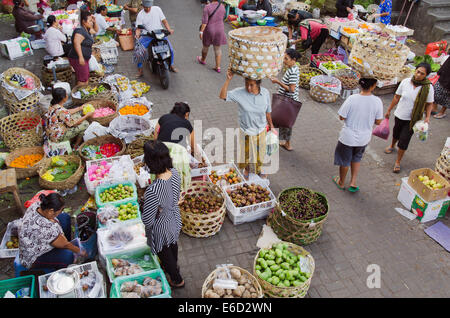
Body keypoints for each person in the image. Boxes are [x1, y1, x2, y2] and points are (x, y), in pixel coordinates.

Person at [142, 140, 184, 288]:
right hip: (175, 219)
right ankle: (174, 266)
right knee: (172, 245)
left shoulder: (153, 190)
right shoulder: (175, 173)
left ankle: (177, 279)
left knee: (165, 254)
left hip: (162, 227)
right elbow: (175, 195)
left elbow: (147, 220)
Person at [220, 69, 275, 179]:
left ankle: (260, 170)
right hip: (246, 131)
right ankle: (246, 169)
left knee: (260, 154)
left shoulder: (265, 93)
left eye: (252, 85)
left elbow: (268, 112)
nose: (248, 88)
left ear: (258, 84)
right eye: (246, 84)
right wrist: (228, 80)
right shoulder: (240, 93)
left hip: (261, 129)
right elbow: (223, 96)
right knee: (246, 155)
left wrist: (272, 127)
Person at [332, 77, 383, 192]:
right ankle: (353, 182)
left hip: (348, 137)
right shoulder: (377, 101)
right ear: (373, 86)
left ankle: (341, 182)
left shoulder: (352, 99)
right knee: (357, 158)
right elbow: (379, 121)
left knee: (345, 160)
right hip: (364, 138)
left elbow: (342, 116)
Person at [384, 63, 434, 173]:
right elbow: (397, 97)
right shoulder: (405, 82)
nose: (418, 75)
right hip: (400, 114)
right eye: (418, 71)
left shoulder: (428, 87)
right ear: (415, 70)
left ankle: (398, 161)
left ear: (426, 76)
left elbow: (429, 103)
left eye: (422, 73)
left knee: (404, 140)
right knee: (396, 133)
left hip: (413, 120)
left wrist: (428, 117)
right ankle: (392, 145)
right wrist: (389, 110)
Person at [18, 192, 87, 270]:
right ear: (51, 211)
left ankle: (62, 249)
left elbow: (53, 224)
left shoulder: (37, 205)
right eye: (60, 210)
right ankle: (62, 265)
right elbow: (66, 245)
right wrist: (80, 251)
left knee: (64, 217)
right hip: (33, 257)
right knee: (68, 256)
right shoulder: (45, 229)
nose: (60, 212)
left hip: (37, 238)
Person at [269, 48, 301, 151]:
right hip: (286, 101)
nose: (284, 61)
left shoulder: (293, 71)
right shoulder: (292, 69)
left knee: (280, 122)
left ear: (293, 59)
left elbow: (291, 89)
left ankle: (283, 143)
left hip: (287, 101)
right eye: (284, 58)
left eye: (286, 59)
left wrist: (278, 82)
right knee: (282, 122)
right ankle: (285, 143)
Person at [135, 0, 177, 77]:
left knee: (170, 49)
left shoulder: (157, 9)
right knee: (139, 51)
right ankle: (140, 70)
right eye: (145, 7)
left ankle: (171, 65)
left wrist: (169, 29)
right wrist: (137, 34)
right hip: (147, 35)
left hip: (159, 33)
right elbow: (138, 28)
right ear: (142, 6)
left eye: (149, 7)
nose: (147, 9)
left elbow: (164, 21)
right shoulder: (140, 15)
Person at [67, 10, 98, 86]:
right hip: (78, 58)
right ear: (84, 21)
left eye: (91, 20)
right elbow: (76, 43)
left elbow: (95, 31)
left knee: (82, 76)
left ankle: (78, 92)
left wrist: (94, 21)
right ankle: (79, 95)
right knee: (83, 79)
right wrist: (81, 57)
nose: (91, 22)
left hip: (83, 58)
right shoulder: (80, 30)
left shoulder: (86, 29)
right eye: (90, 21)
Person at [197, 0, 227, 73]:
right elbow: (223, 17)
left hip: (209, 30)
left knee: (205, 46)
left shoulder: (207, 7)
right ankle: (218, 66)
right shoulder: (222, 6)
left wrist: (201, 32)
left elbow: (204, 22)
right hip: (220, 29)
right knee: (218, 49)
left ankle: (202, 60)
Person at [432, 54, 450, 119]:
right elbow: (446, 65)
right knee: (435, 91)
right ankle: (434, 108)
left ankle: (442, 112)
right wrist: (440, 72)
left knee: (447, 98)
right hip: (444, 76)